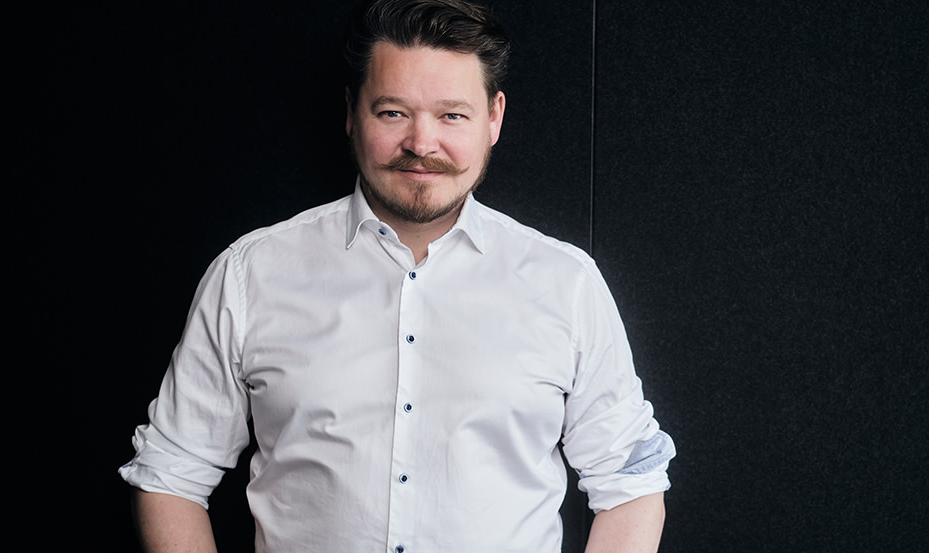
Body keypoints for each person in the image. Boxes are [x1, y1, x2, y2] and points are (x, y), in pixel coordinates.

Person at [119, 1, 676, 551]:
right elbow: (171, 473)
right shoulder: (250, 273)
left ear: (493, 118)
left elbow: (631, 484)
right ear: (351, 113)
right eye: (392, 113)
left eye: (452, 115)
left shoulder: (566, 284)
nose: (421, 144)